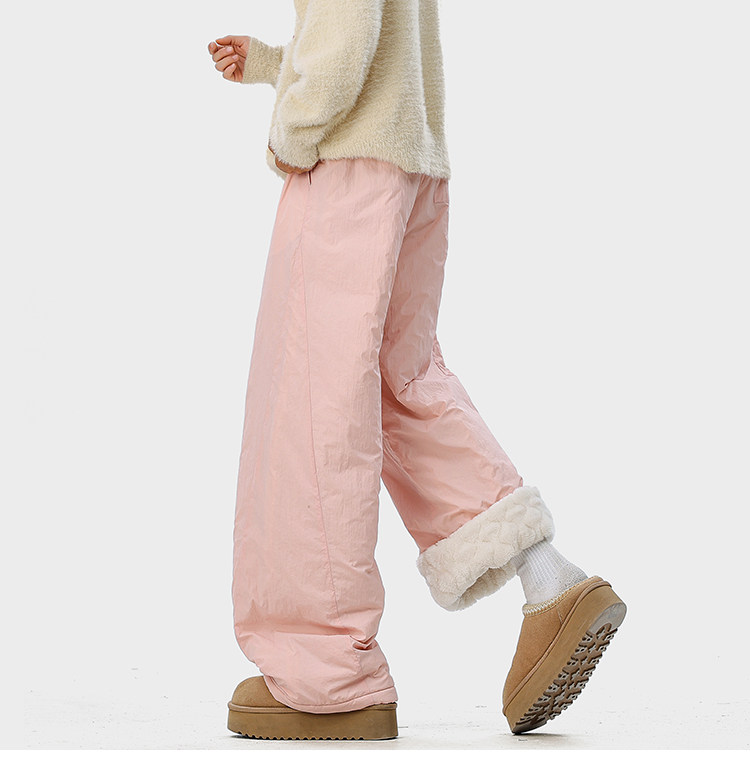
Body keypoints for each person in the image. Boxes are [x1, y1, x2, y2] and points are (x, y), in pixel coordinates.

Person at [207, 0, 626, 741]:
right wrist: (277, 65)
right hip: (411, 162)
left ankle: (325, 673)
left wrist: (290, 133)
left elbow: (344, 38)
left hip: (347, 171)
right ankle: (549, 578)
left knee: (312, 410)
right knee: (400, 386)